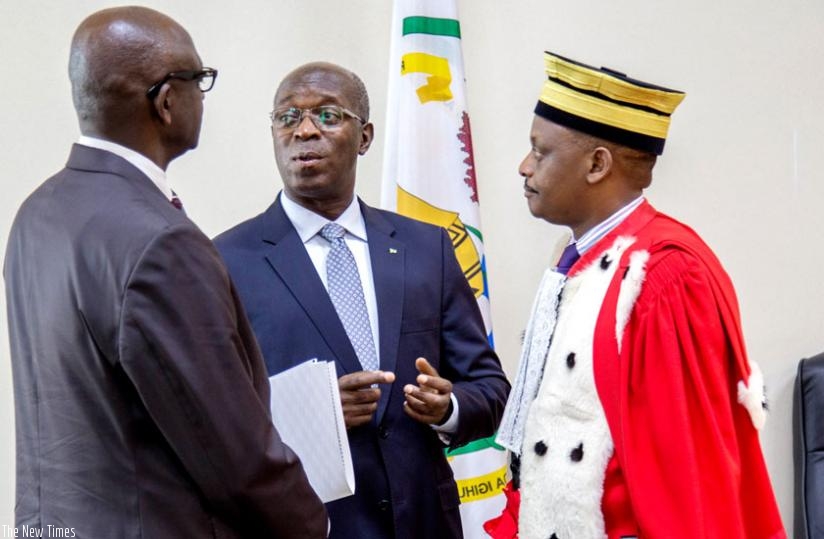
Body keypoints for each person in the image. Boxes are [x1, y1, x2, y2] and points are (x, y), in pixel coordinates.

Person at [4, 7, 327, 538]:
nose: (203, 95)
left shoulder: (37, 213)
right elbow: (234, 455)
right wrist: (315, 525)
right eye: (199, 79)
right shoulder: (162, 242)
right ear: (166, 102)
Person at [487, 51, 786, 539]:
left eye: (540, 152)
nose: (524, 167)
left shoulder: (664, 276)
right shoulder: (574, 255)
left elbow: (686, 476)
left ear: (596, 164)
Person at [214, 61, 510, 539]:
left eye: (328, 116)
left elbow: (490, 387)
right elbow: (211, 416)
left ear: (365, 137)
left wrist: (449, 406)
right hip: (305, 525)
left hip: (424, 523)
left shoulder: (427, 249)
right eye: (287, 118)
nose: (305, 130)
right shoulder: (225, 260)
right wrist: (315, 411)